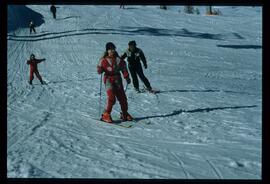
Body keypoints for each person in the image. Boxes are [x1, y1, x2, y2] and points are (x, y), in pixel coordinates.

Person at [97, 42, 133, 123]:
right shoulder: (103, 60)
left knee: (123, 98)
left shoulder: (118, 59)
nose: (112, 51)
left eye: (113, 49)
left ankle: (124, 113)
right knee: (112, 98)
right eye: (110, 49)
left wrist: (126, 77)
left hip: (117, 79)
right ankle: (106, 114)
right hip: (108, 80)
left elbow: (124, 67)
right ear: (107, 50)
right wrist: (100, 70)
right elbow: (99, 69)